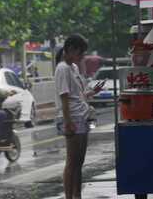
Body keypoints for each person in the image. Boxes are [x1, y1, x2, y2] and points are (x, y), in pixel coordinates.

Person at [54, 34, 104, 199]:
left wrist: (93, 92)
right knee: (72, 162)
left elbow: (79, 95)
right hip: (72, 118)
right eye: (80, 52)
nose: (82, 56)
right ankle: (70, 196)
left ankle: (77, 195)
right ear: (71, 49)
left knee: (79, 162)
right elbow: (64, 96)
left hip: (82, 116)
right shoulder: (62, 68)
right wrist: (68, 122)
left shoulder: (74, 68)